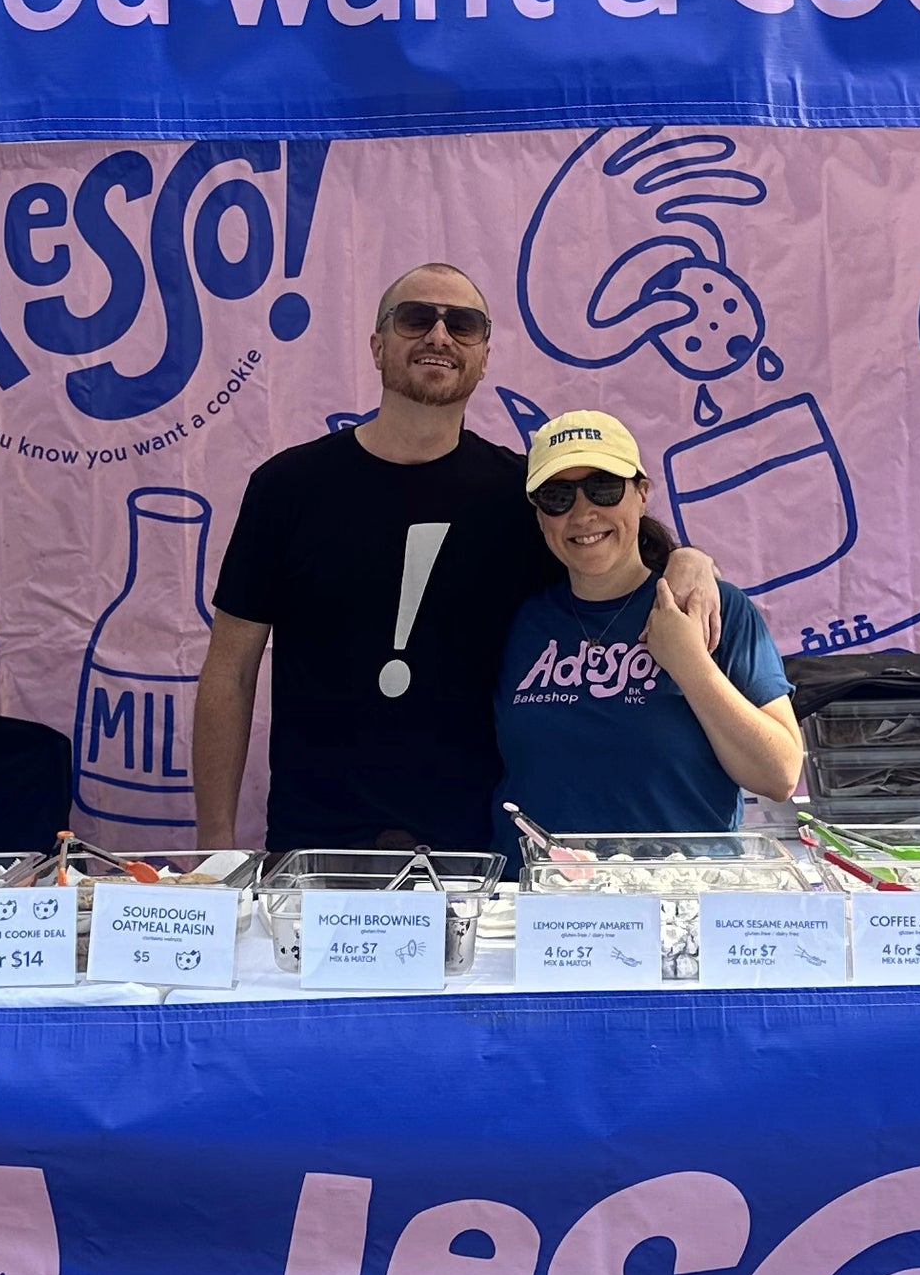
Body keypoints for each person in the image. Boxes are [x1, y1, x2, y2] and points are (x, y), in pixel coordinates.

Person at [194, 264, 718, 853]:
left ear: (484, 355)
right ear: (377, 346)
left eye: (462, 324)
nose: (439, 336)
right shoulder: (286, 487)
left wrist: (690, 560)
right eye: (416, 318)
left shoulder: (524, 495)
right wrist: (213, 846)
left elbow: (618, 565)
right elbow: (230, 671)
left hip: (479, 845)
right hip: (319, 843)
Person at [492, 411, 800, 851]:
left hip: (677, 899)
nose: (583, 513)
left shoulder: (711, 607)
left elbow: (780, 775)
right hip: (543, 903)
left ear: (641, 494)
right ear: (540, 516)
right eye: (558, 496)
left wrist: (691, 665)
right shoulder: (517, 619)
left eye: (604, 488)